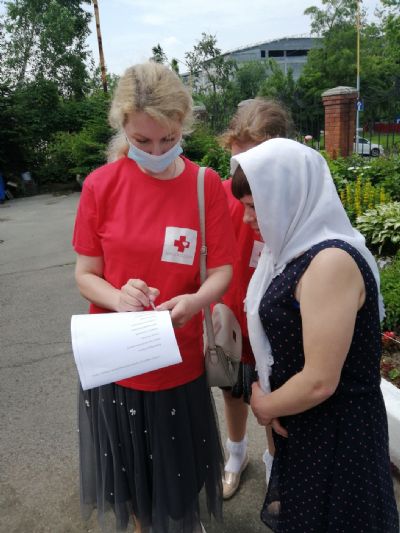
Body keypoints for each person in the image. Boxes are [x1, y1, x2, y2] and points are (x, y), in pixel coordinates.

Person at [72, 62, 236, 533]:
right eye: (142, 141)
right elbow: (85, 275)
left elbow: (222, 271)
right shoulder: (101, 185)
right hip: (117, 361)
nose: (157, 151)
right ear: (122, 126)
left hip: (177, 361)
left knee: (178, 475)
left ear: (183, 124)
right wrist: (117, 296)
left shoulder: (204, 185)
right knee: (132, 478)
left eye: (168, 138)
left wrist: (194, 302)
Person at [230, 137, 399, 532]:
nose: (246, 218)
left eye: (254, 206)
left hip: (338, 434)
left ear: (289, 197)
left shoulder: (329, 263)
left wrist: (265, 405)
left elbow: (320, 380)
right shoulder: (293, 250)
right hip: (310, 424)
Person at [217, 98, 292, 499]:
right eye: (236, 161)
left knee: (273, 393)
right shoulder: (225, 194)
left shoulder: (293, 194)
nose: (243, 174)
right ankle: (236, 454)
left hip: (275, 312)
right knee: (232, 389)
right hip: (233, 308)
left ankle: (275, 464)